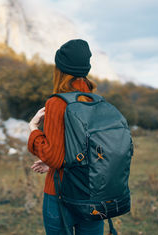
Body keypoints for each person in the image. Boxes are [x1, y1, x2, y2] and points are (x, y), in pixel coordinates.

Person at [27, 39, 104, 235]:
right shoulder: (96, 101)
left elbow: (54, 156)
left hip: (61, 193)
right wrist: (56, 161)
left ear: (60, 69)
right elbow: (90, 150)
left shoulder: (57, 103)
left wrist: (34, 129)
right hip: (94, 193)